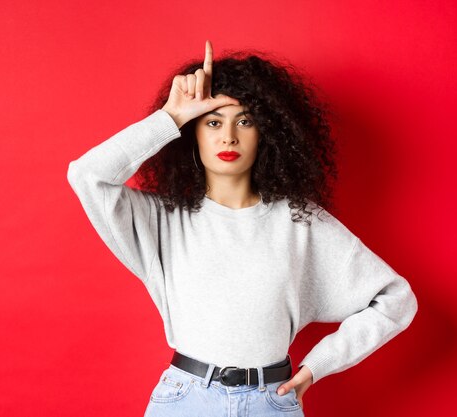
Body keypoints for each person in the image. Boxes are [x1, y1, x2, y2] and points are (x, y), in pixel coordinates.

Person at [67, 40, 418, 416]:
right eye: (213, 122)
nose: (228, 136)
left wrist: (316, 367)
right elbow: (87, 176)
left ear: (267, 133)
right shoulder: (163, 220)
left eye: (245, 121)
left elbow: (396, 300)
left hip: (271, 400)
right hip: (186, 401)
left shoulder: (300, 221)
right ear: (193, 134)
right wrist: (171, 117)